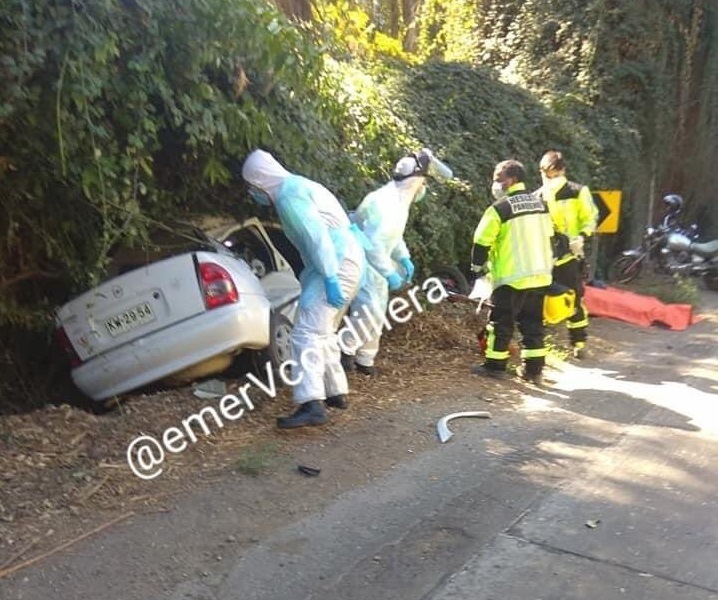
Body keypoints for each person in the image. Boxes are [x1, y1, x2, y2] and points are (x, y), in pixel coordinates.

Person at [241, 149, 365, 429]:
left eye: (251, 187)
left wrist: (330, 276)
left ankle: (312, 404)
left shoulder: (288, 197)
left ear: (259, 181)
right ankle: (335, 392)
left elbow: (316, 237)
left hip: (334, 262)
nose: (252, 193)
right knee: (322, 330)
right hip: (345, 259)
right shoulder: (302, 185)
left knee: (305, 332)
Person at [341, 148, 453, 375]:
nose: (423, 189)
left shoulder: (397, 201)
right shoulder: (387, 204)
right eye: (423, 183)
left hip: (374, 261)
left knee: (376, 312)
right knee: (369, 312)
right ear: (416, 181)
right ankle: (345, 351)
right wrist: (389, 272)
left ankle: (365, 359)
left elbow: (393, 236)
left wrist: (403, 257)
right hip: (363, 260)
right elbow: (373, 243)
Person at [470, 159, 554, 385]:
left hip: (512, 277)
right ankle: (533, 371)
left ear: (513, 180)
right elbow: (551, 236)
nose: (495, 184)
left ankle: (495, 366)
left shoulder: (500, 208)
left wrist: (477, 269)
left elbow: (481, 241)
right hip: (540, 274)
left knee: (501, 323)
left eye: (499, 179)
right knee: (533, 325)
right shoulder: (541, 205)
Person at [537, 150, 598, 359]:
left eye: (554, 175)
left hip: (569, 256)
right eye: (546, 175)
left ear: (562, 171)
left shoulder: (577, 192)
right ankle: (540, 346)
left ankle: (579, 343)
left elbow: (590, 217)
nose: (550, 179)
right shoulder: (538, 196)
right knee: (539, 301)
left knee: (573, 298)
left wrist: (582, 236)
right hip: (543, 258)